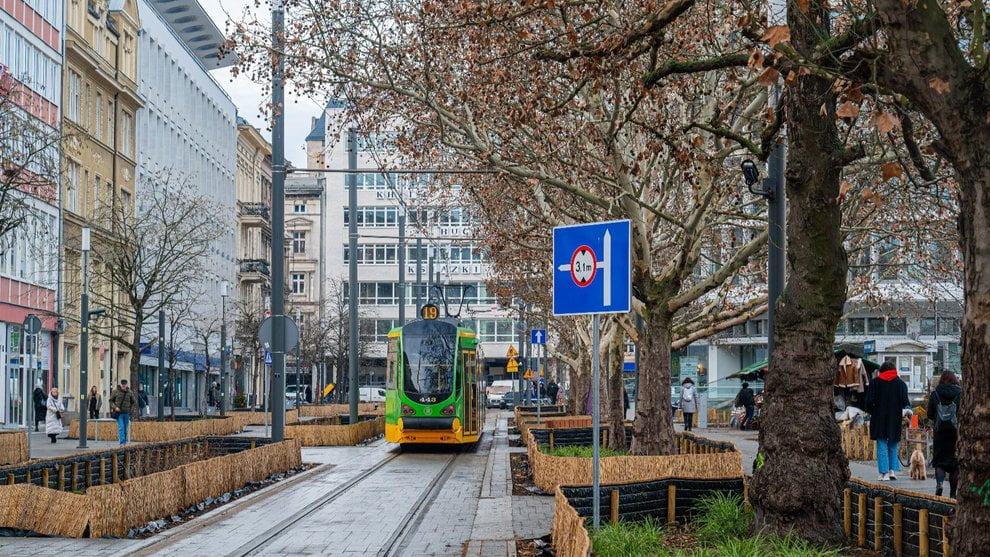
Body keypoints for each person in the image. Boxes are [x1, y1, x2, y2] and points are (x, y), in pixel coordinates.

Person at [865, 362, 911, 481]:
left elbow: (868, 402)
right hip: (894, 418)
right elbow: (906, 402)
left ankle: (883, 473)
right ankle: (892, 471)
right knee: (893, 444)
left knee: (881, 445)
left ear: (881, 371)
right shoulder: (901, 384)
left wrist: (874, 412)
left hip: (879, 418)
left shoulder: (875, 383)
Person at [928, 370, 961, 497]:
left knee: (939, 462)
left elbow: (930, 414)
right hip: (955, 433)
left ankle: (940, 484)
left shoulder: (935, 393)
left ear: (941, 380)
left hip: (940, 433)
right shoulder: (960, 393)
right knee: (954, 464)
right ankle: (953, 493)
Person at [109, 379, 139, 445]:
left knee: (125, 429)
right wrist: (115, 407)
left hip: (126, 413)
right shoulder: (115, 392)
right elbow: (111, 401)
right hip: (119, 413)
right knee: (121, 428)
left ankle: (124, 443)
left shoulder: (130, 392)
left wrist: (130, 410)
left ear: (126, 385)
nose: (123, 386)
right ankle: (122, 443)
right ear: (120, 384)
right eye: (122, 385)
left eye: (124, 385)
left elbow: (134, 402)